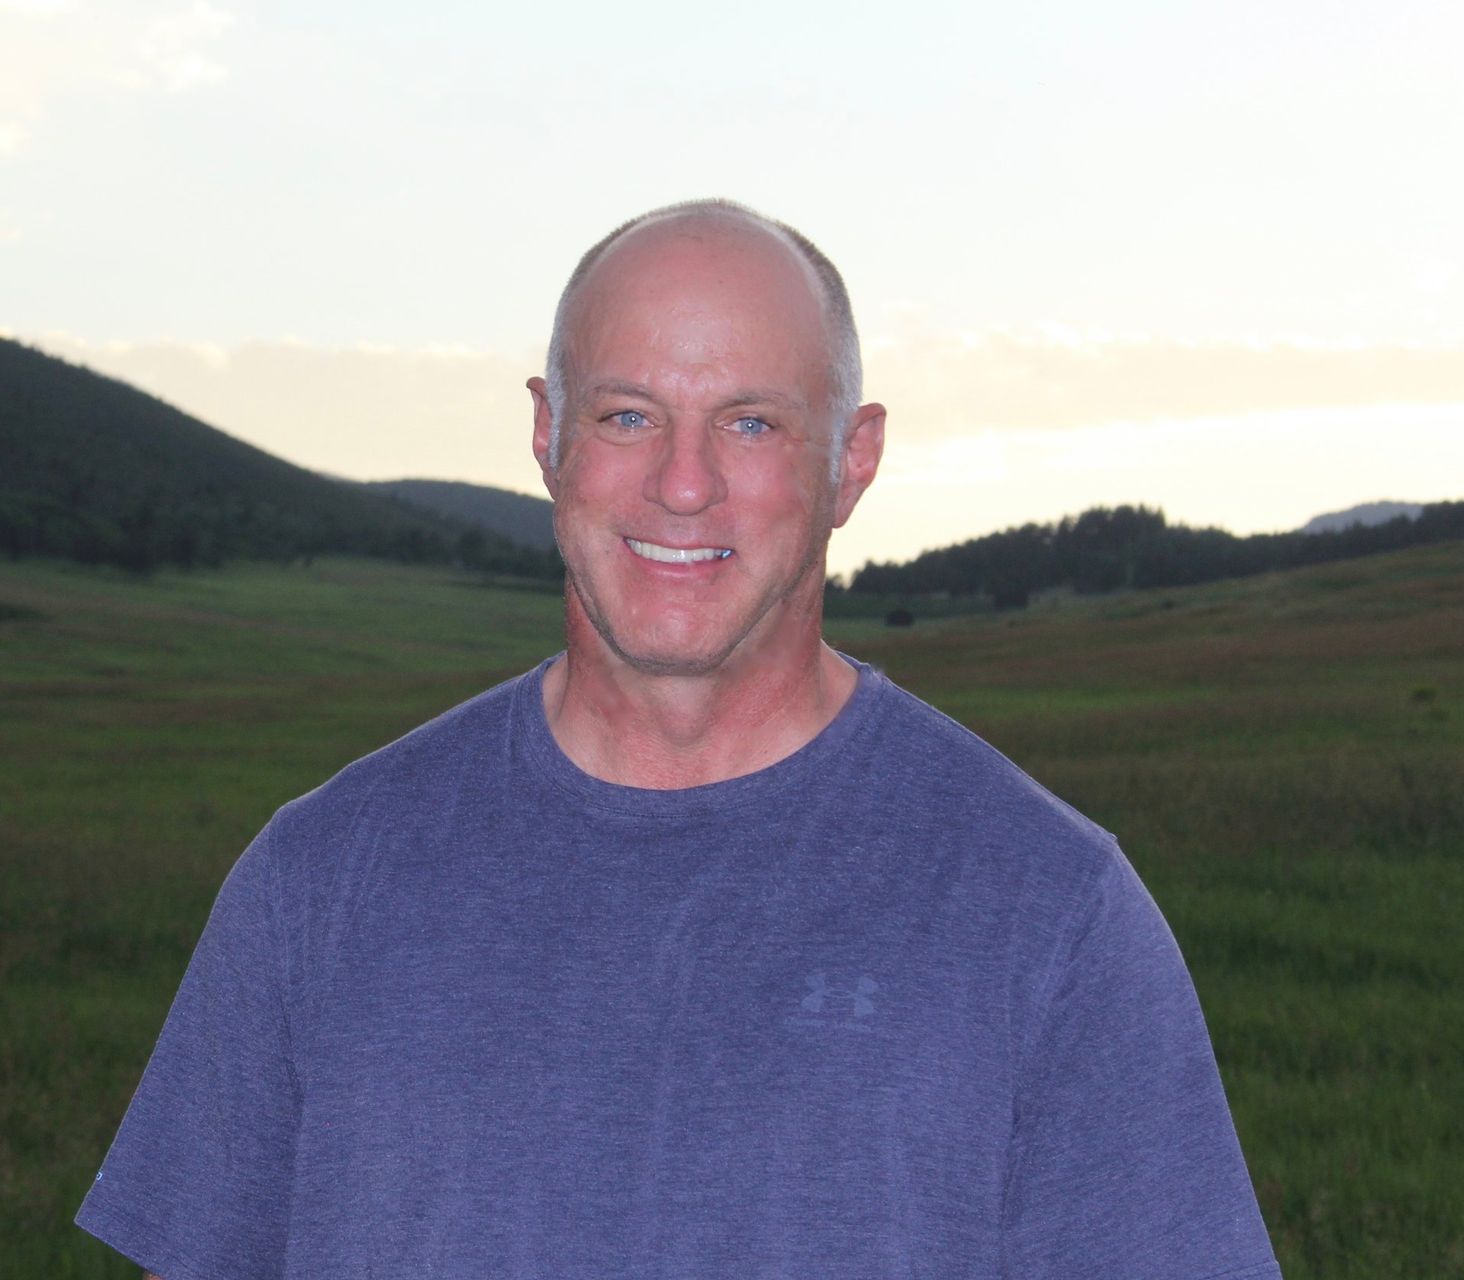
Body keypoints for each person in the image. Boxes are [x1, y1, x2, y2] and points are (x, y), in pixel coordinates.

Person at [77, 199, 1281, 1279]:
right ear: (547, 434)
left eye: (750, 423)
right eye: (627, 415)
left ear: (851, 459)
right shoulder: (319, 879)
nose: (684, 483)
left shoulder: (1049, 910)